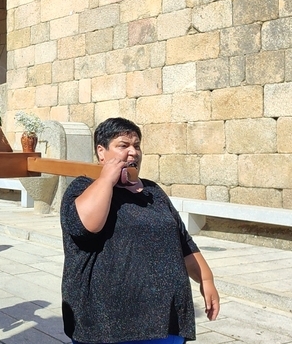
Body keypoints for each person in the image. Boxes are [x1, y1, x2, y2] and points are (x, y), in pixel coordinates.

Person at [61, 117, 220, 344]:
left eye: (137, 146)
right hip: (107, 324)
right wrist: (107, 178)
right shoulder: (82, 187)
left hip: (165, 321)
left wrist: (206, 280)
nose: (133, 152)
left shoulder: (154, 192)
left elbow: (182, 241)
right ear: (101, 151)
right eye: (123, 145)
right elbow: (86, 226)